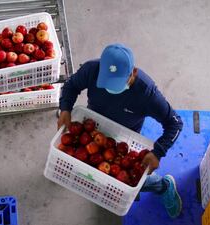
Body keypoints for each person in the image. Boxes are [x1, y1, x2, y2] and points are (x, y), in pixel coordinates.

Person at [57, 43, 183, 218]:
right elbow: (71, 86)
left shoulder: (147, 94)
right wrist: (65, 108)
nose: (111, 88)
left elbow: (175, 123)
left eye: (117, 83)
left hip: (124, 135)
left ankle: (163, 186)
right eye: (107, 81)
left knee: (134, 176)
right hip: (93, 128)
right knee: (92, 169)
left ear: (134, 73)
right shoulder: (92, 69)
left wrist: (158, 152)